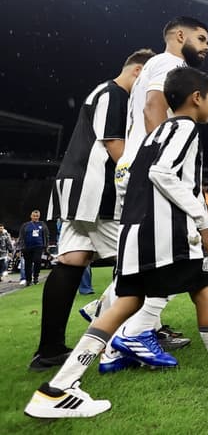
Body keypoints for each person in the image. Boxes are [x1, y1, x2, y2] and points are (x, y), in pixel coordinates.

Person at [24, 67, 208, 419]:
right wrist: (201, 222)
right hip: (169, 233)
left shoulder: (154, 134)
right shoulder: (186, 129)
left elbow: (127, 180)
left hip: (136, 233)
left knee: (125, 303)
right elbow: (163, 173)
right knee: (203, 288)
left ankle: (58, 389)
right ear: (196, 98)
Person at [29, 49, 156, 372]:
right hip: (97, 191)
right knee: (145, 259)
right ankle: (128, 335)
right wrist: (146, 178)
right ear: (138, 71)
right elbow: (115, 145)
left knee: (71, 260)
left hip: (76, 188)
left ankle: (50, 350)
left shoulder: (100, 92)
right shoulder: (116, 93)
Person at [105, 17, 208, 368]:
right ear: (180, 36)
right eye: (201, 38)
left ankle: (112, 337)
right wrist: (165, 153)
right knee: (173, 254)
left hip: (137, 169)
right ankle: (128, 334)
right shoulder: (170, 63)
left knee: (141, 263)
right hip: (149, 173)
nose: (207, 46)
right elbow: (154, 108)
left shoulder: (156, 64)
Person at [18, 210, 50, 287]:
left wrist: (46, 246)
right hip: (27, 247)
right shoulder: (25, 225)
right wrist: (21, 247)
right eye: (34, 216)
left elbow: (46, 236)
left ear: (39, 216)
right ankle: (28, 280)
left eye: (37, 216)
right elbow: (21, 237)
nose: (35, 217)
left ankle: (36, 277)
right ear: (31, 216)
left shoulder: (42, 225)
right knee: (28, 264)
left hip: (38, 246)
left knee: (37, 261)